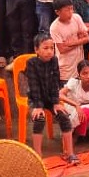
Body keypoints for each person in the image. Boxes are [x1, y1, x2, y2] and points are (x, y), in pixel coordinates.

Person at [26, 33, 76, 163]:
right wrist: (37, 106)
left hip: (50, 98)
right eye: (45, 48)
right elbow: (33, 85)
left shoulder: (54, 60)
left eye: (52, 48)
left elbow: (55, 82)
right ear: (36, 50)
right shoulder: (31, 63)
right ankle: (37, 155)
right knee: (39, 119)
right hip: (35, 98)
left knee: (64, 117)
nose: (49, 51)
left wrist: (56, 102)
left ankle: (69, 153)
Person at [61, 60, 89, 143]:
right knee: (86, 111)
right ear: (79, 75)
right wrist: (76, 105)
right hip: (72, 110)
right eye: (84, 73)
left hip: (86, 114)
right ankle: (76, 135)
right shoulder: (74, 83)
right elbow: (60, 94)